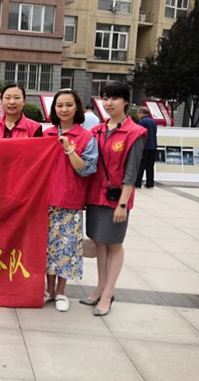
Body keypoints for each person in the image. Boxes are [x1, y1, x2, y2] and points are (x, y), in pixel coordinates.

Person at [82, 82, 146, 316]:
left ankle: (108, 294)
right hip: (95, 195)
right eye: (106, 98)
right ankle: (100, 287)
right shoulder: (97, 130)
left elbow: (132, 172)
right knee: (100, 242)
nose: (109, 103)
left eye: (114, 98)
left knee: (114, 244)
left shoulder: (135, 132)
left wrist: (123, 204)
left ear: (126, 101)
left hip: (117, 198)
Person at [43, 89, 98, 312]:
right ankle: (48, 290)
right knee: (48, 248)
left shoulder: (86, 137)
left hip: (69, 201)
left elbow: (86, 169)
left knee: (65, 249)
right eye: (59, 105)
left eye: (69, 105)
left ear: (77, 108)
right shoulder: (46, 135)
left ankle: (60, 292)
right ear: (54, 109)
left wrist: (68, 149)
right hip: (45, 201)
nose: (64, 109)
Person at [135, 106, 158, 188]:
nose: (138, 115)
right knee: (150, 166)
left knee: (141, 165)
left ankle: (138, 182)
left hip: (144, 147)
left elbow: (140, 134)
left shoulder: (142, 122)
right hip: (153, 146)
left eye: (138, 114)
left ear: (141, 113)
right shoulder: (153, 122)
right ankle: (150, 182)